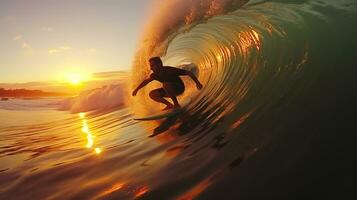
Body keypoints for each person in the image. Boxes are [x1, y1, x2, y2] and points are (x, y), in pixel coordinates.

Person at [132, 57, 203, 110]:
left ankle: (176, 104)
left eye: (152, 65)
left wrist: (198, 83)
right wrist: (136, 89)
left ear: (159, 64)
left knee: (166, 84)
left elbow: (188, 72)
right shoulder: (154, 75)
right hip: (169, 89)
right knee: (152, 94)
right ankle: (169, 105)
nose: (151, 68)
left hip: (179, 88)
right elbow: (146, 82)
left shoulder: (169, 70)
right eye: (151, 66)